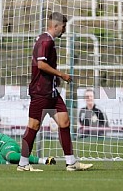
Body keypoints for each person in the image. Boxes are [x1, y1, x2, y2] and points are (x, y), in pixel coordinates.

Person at [17, 12, 93, 172]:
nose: (64, 30)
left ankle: (71, 162)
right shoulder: (46, 41)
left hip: (51, 92)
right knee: (33, 126)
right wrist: (62, 75)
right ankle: (23, 163)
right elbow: (41, 65)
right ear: (56, 26)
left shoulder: (46, 40)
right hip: (41, 91)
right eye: (63, 27)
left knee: (64, 122)